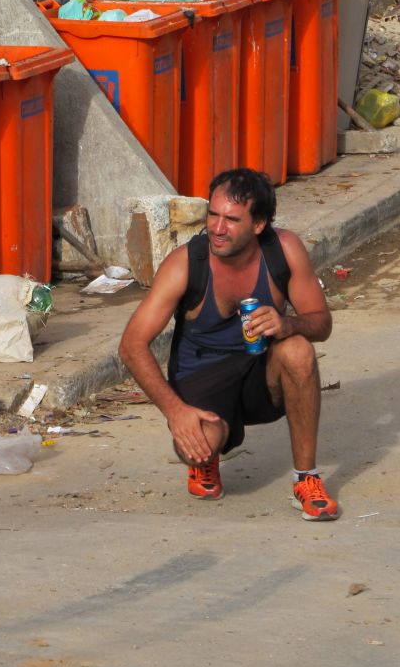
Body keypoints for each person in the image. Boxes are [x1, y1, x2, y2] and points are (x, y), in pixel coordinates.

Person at [119, 168, 340, 520]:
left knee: (299, 350)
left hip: (260, 373)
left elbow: (322, 323)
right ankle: (206, 462)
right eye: (213, 214)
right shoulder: (185, 264)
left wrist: (287, 324)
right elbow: (132, 345)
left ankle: (306, 480)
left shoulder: (284, 250)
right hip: (202, 376)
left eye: (232, 219)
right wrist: (176, 413)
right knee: (199, 447)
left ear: (258, 225)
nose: (217, 228)